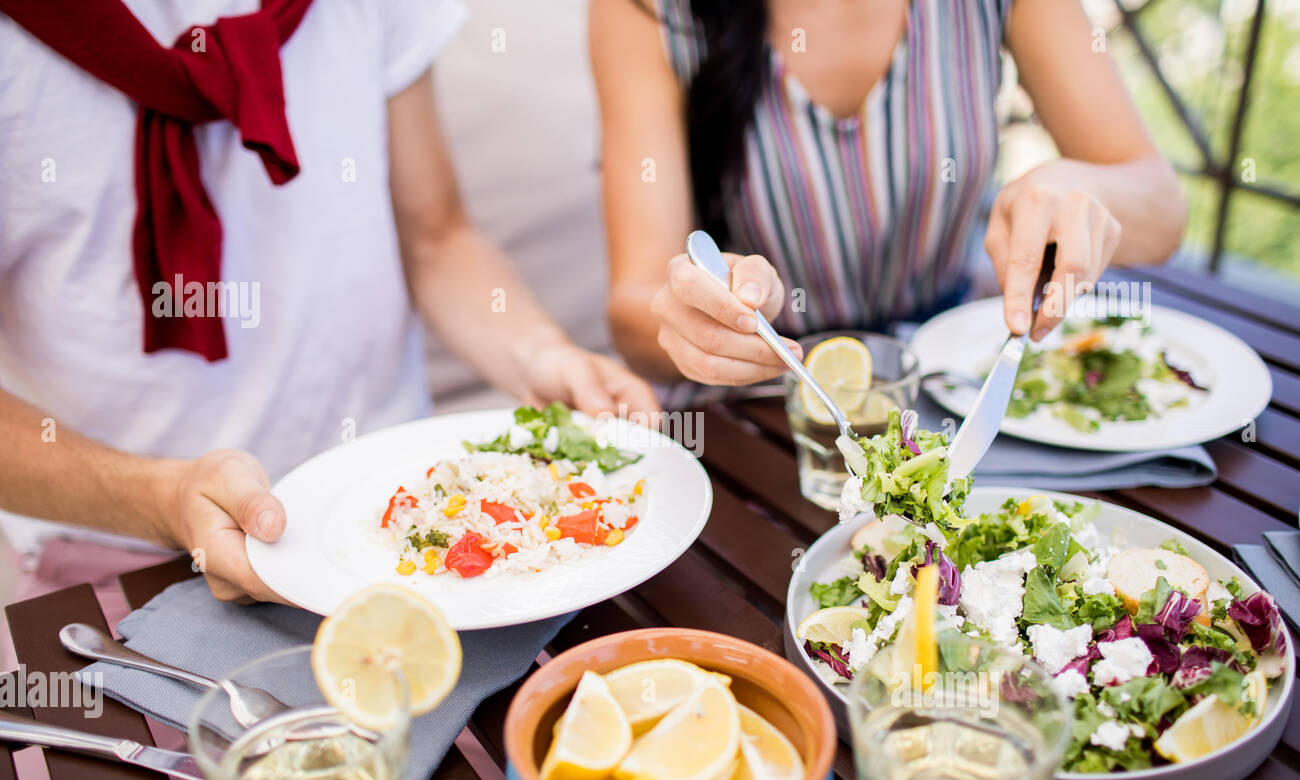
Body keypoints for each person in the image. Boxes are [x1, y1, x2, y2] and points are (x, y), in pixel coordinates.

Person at [0, 0, 659, 636]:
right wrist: (161, 499)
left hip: (397, 527)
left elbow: (436, 237)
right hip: (119, 567)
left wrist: (538, 353)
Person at [590, 0, 1187, 399]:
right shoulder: (643, 10)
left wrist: (1076, 189)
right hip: (767, 411)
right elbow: (635, 307)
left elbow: (1163, 209)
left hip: (953, 389)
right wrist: (701, 318)